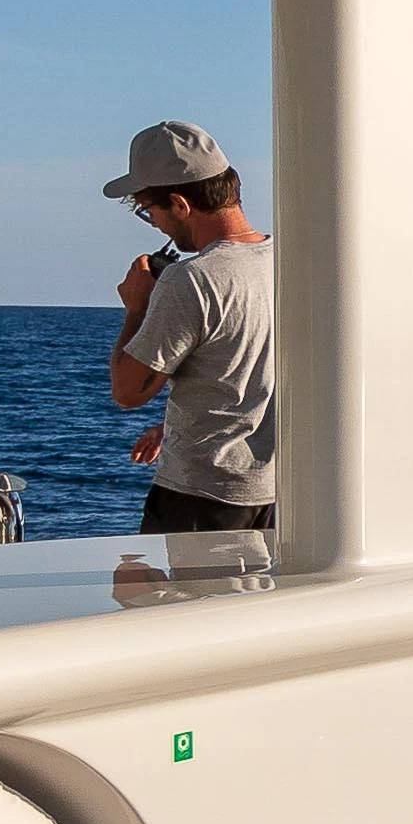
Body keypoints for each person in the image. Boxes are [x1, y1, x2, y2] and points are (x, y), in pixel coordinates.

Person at [104, 120, 277, 534]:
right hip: (278, 494)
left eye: (151, 212)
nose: (157, 225)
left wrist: (137, 308)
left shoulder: (193, 279)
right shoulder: (290, 262)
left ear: (180, 205)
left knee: (174, 601)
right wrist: (175, 426)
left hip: (202, 498)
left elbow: (128, 392)